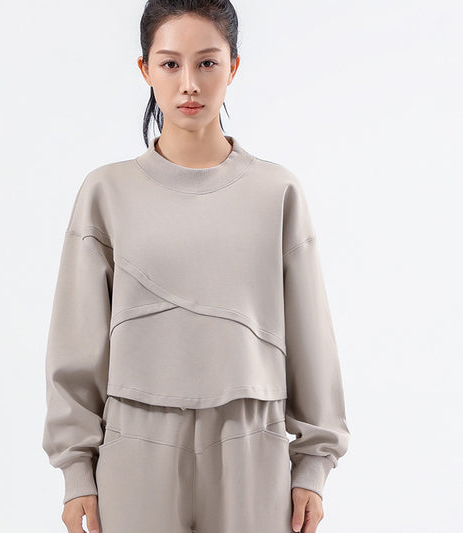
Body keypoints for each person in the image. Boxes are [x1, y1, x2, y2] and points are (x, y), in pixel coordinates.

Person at [42, 1, 350, 533]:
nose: (189, 83)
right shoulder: (106, 192)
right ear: (145, 69)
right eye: (170, 63)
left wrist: (313, 466)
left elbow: (311, 338)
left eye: (207, 63)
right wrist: (76, 472)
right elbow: (76, 343)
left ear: (233, 67)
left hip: (252, 443)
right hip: (135, 443)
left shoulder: (276, 192)